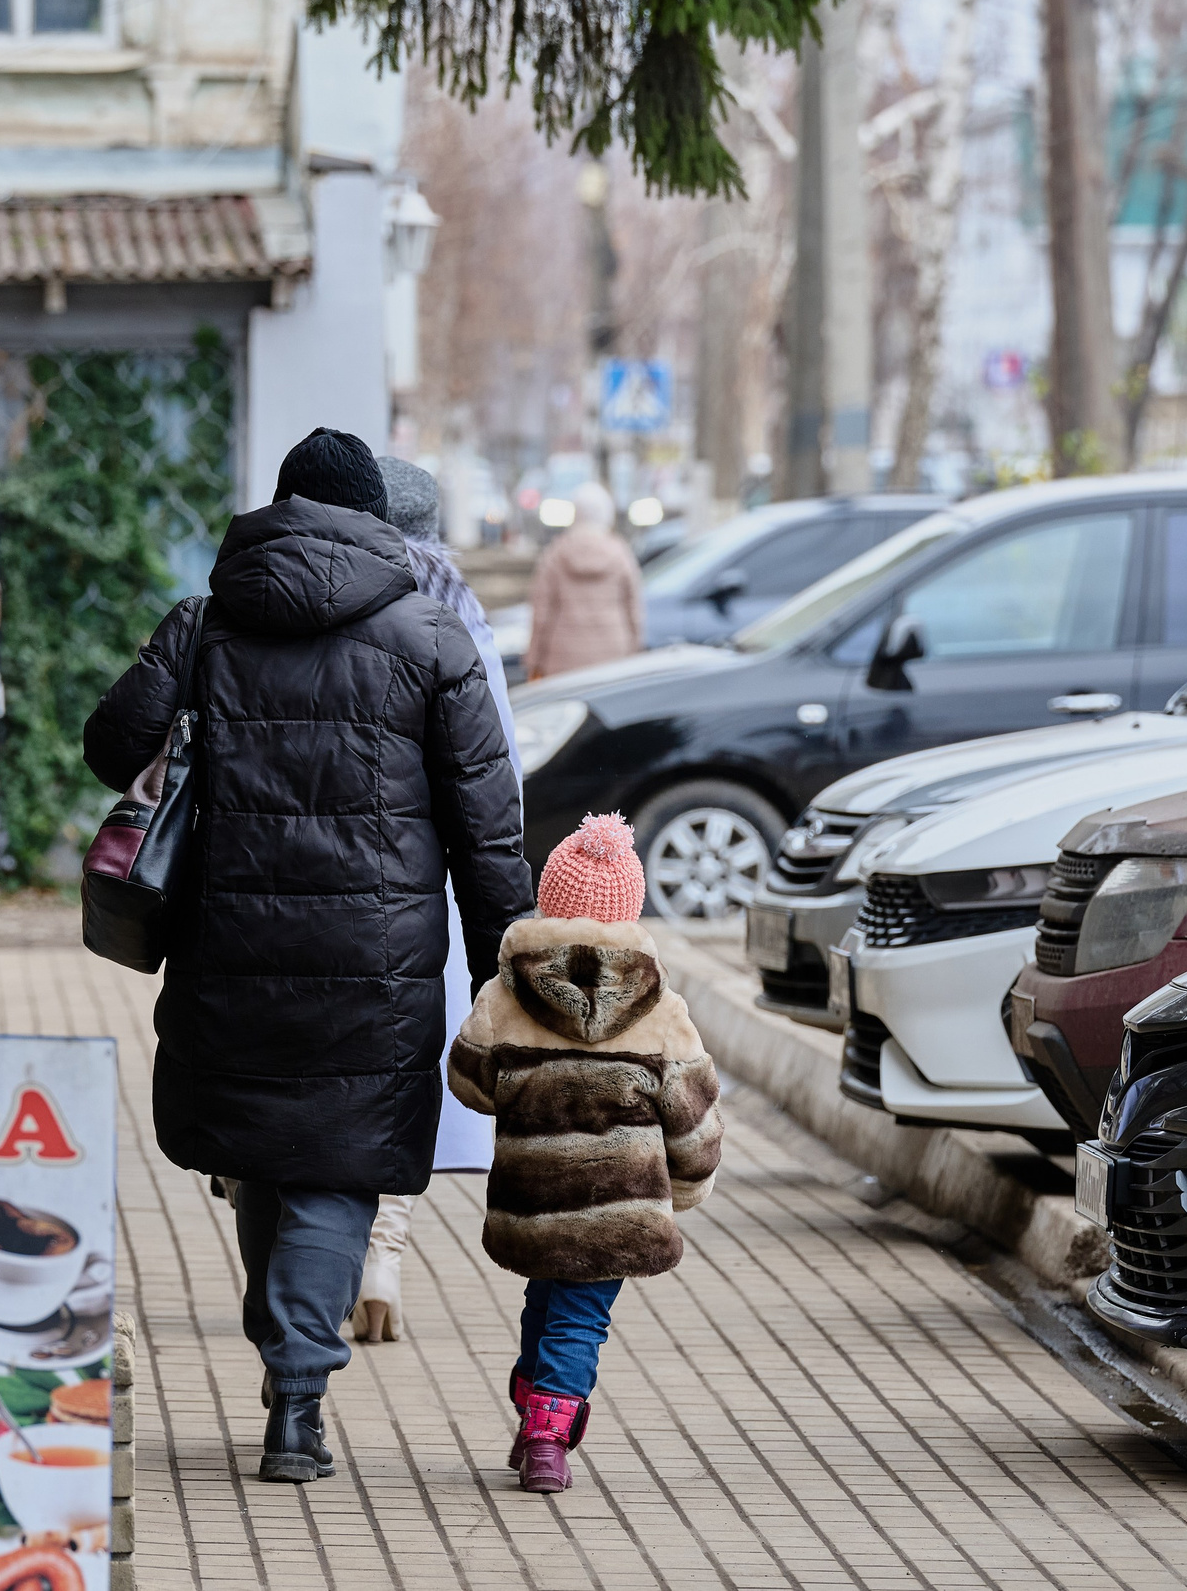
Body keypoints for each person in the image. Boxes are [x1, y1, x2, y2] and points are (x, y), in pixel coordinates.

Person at [83, 428, 532, 1484]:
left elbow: (111, 746)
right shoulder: (434, 640)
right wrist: (507, 962)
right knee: (336, 1167)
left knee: (259, 1157)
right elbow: (488, 824)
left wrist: (180, 673)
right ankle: (298, 1396)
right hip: (377, 965)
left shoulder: (204, 621)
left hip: (225, 946)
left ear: (278, 510)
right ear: (374, 522)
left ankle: (284, 1354)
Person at [446, 812, 723, 1494]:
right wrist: (686, 1186)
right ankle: (546, 1434)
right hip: (620, 1205)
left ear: (549, 900)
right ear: (629, 908)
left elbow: (469, 1081)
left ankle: (533, 1393)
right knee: (579, 1312)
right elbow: (692, 1112)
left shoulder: (508, 990)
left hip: (534, 1194)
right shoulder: (661, 1005)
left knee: (549, 1295)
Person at [345, 457, 520, 1344]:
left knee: (337, 1072)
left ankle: (321, 1257)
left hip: (331, 878)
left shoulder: (340, 601)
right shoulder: (461, 617)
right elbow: (501, 775)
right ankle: (385, 1243)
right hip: (429, 887)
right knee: (408, 1069)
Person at [524, 481, 643, 680]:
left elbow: (541, 613)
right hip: (613, 656)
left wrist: (534, 660)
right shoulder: (621, 553)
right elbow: (634, 610)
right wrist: (635, 652)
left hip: (562, 660)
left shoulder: (555, 554)